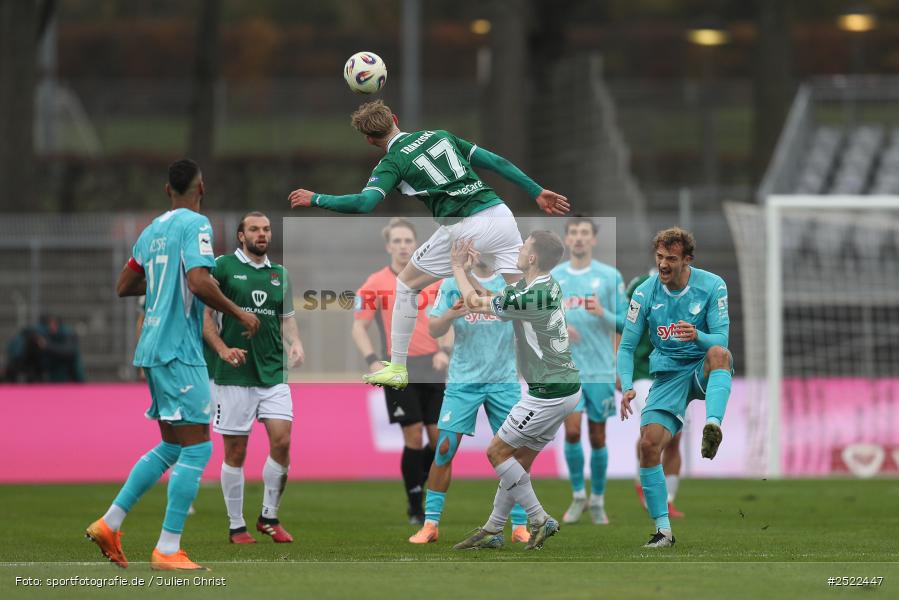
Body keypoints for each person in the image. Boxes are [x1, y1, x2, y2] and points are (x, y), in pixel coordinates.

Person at [288, 100, 569, 390]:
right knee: (522, 292)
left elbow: (364, 203)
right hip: (500, 214)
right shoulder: (440, 135)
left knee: (407, 284)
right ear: (395, 118)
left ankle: (397, 367)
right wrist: (536, 190)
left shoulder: (392, 161)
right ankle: (553, 361)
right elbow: (496, 162)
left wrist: (317, 198)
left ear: (370, 140)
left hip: (464, 227)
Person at [85, 159, 260, 571]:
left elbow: (124, 285)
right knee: (198, 447)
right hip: (178, 350)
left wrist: (165, 279)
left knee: (170, 446)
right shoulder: (195, 226)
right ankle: (167, 548)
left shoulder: (151, 231)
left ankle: (110, 523)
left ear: (167, 190)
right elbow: (199, 281)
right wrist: (239, 314)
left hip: (151, 347)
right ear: (202, 187)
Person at [450, 233, 580, 551]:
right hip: (562, 387)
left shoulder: (531, 296)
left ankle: (539, 518)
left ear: (533, 258)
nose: (519, 251)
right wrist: (470, 271)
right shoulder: (536, 286)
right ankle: (494, 529)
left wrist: (456, 268)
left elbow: (475, 302)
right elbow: (495, 296)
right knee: (518, 463)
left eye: (524, 247)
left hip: (548, 391)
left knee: (497, 453)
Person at [618, 227, 732, 548]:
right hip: (667, 375)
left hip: (699, 367)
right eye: (659, 257)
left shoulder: (712, 285)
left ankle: (713, 424)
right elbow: (627, 347)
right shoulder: (643, 292)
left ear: (687, 260)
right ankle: (663, 531)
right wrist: (627, 385)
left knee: (719, 354)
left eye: (671, 258)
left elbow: (721, 340)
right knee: (649, 445)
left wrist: (696, 335)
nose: (663, 264)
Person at [408, 258, 530, 545]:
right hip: (464, 381)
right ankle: (430, 525)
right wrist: (450, 315)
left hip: (503, 382)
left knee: (517, 453)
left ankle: (520, 525)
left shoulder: (510, 283)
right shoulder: (452, 284)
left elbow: (514, 316)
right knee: (445, 449)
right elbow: (434, 329)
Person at [203, 212, 305, 544]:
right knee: (236, 452)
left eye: (266, 229)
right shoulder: (222, 268)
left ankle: (269, 517)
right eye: (254, 229)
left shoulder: (280, 274)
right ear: (240, 236)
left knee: (283, 441)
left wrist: (296, 344)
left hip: (273, 371)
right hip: (233, 375)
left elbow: (286, 319)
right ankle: (236, 526)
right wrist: (221, 349)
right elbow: (204, 315)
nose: (262, 234)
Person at [352, 218, 448, 524]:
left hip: (432, 365)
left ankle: (423, 480)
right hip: (398, 366)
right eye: (397, 241)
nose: (403, 246)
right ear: (388, 246)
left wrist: (444, 351)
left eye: (408, 240)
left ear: (416, 244)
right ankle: (415, 505)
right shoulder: (376, 282)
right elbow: (359, 327)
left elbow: (447, 320)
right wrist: (371, 360)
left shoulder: (433, 280)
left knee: (437, 438)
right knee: (412, 434)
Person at [551, 217, 625, 525]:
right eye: (574, 233)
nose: (579, 238)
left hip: (600, 370)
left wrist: (602, 312)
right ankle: (578, 494)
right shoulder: (553, 276)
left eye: (585, 233)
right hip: (567, 369)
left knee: (597, 437)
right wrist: (560, 327)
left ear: (593, 240)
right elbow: (538, 320)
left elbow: (625, 324)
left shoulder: (609, 277)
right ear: (567, 240)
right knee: (571, 431)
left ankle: (598, 499)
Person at [627, 269, 685, 519]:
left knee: (675, 438)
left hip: (677, 374)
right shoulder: (641, 285)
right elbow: (624, 327)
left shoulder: (696, 288)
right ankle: (645, 482)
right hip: (644, 371)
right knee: (652, 432)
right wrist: (622, 370)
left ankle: (669, 499)